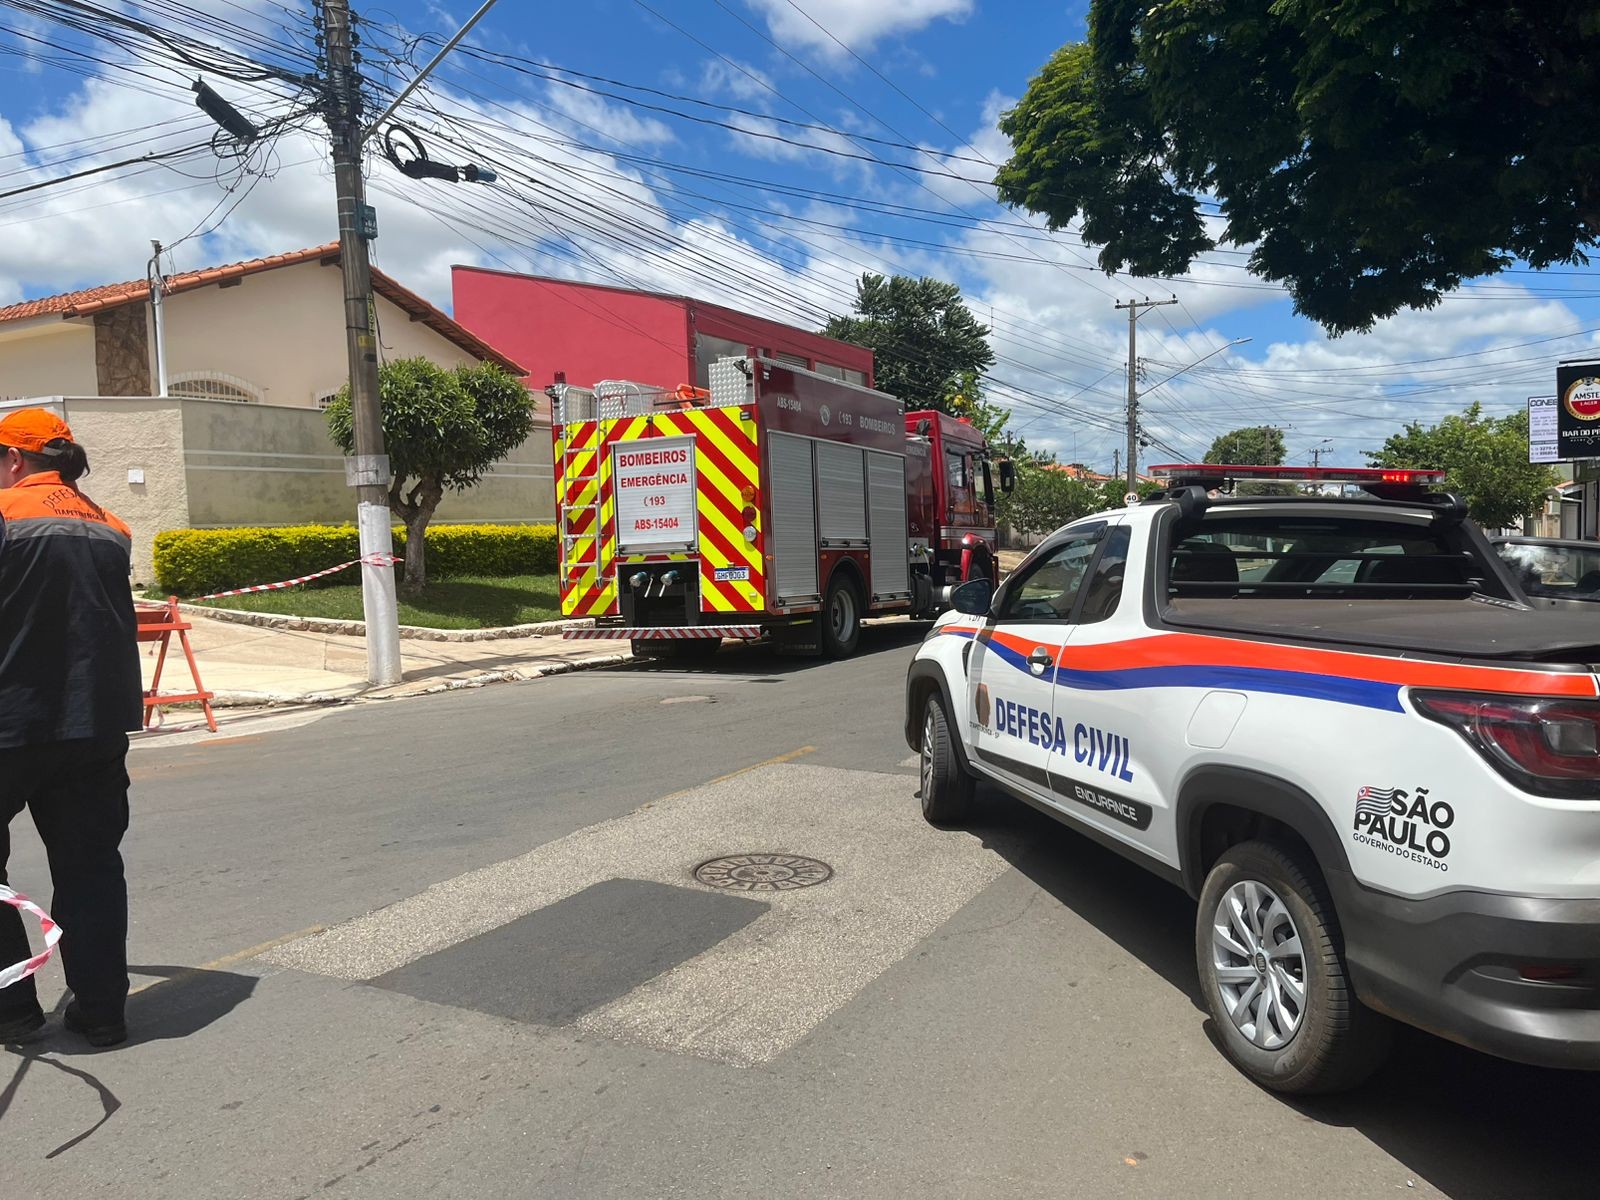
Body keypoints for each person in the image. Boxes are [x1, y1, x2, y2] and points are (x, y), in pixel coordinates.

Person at [0, 408, 140, 1047]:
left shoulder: (7, 514)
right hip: (94, 726)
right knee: (90, 867)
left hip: (11, 725)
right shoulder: (112, 527)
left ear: (15, 460)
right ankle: (103, 1009)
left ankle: (11, 1009)